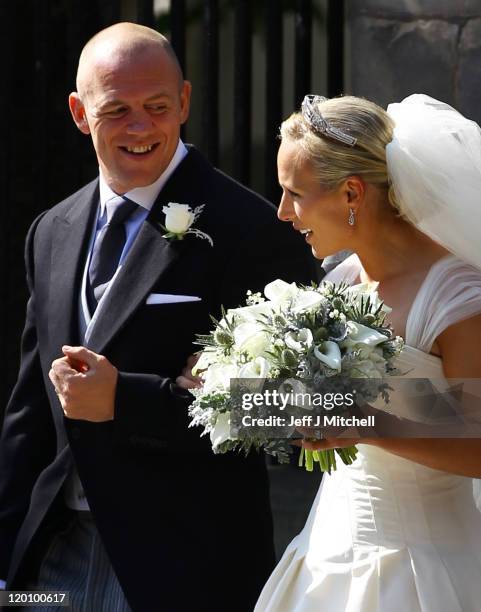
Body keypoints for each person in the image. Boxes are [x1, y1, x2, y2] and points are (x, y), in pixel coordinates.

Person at [0, 23, 316, 612]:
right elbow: (29, 413)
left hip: (183, 562)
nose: (140, 127)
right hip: (50, 564)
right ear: (78, 112)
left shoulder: (251, 229)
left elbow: (292, 415)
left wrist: (128, 399)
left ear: (186, 103)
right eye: (116, 109)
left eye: (157, 107)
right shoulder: (51, 230)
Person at [249, 94, 481, 611]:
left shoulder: (458, 298)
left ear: (352, 192)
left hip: (420, 569)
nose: (284, 213)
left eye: (295, 194)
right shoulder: (346, 281)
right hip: (325, 551)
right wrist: (243, 389)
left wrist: (367, 423)